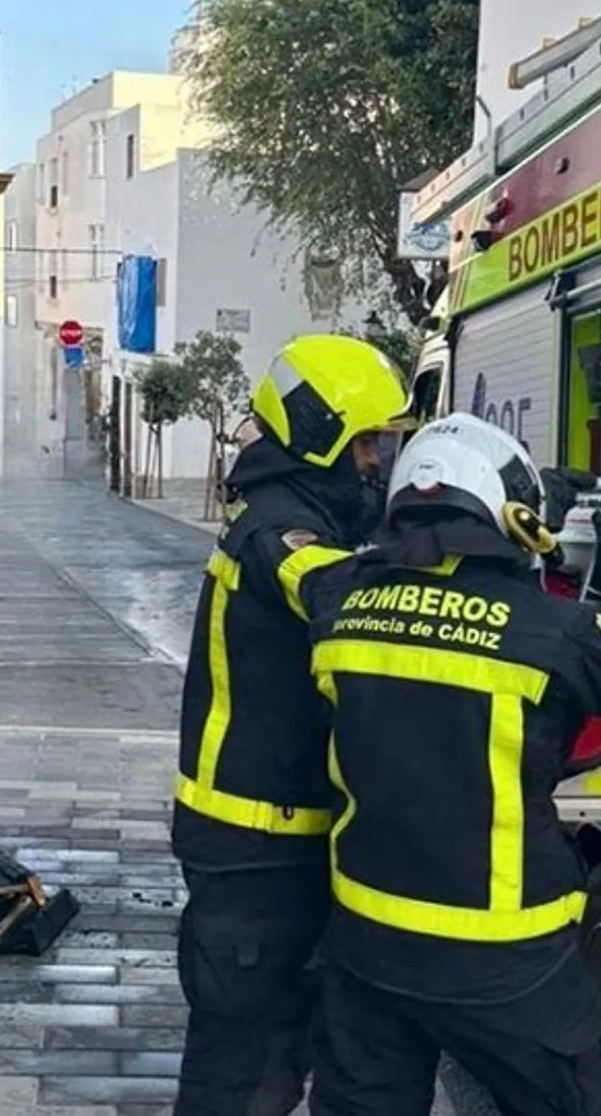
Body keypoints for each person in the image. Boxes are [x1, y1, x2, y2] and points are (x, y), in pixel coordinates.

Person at [290, 412, 601, 1116]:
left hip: (367, 944)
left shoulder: (341, 604)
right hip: (502, 958)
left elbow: (375, 571)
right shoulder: (555, 633)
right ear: (503, 512)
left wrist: (520, 511)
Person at [173, 334, 414, 1115]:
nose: (377, 462)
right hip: (255, 849)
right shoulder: (279, 530)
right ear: (323, 435)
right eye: (370, 442)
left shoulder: (305, 512)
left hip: (279, 838)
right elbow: (342, 598)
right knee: (239, 1063)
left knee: (282, 1048)